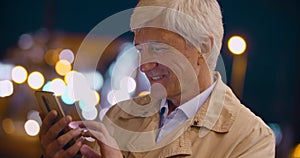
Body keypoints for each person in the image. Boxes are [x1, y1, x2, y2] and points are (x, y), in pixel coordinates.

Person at [39, 0, 276, 157]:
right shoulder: (118, 116)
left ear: (203, 47)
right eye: (141, 50)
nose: (144, 66)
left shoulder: (251, 140)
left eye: (160, 49)